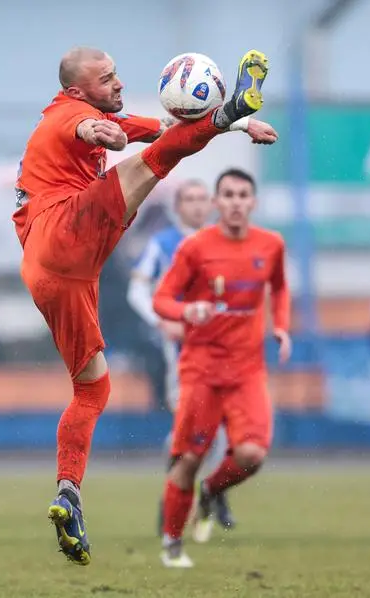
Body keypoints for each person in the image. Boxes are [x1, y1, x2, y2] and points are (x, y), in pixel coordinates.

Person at [14, 46, 277, 565]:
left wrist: (236, 127)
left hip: (56, 276)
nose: (117, 83)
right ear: (76, 90)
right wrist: (103, 133)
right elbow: (89, 130)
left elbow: (160, 127)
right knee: (158, 163)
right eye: (106, 78)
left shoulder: (99, 111)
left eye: (116, 74)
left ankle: (68, 490)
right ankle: (228, 109)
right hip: (61, 231)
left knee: (92, 388)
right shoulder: (69, 115)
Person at [153, 168, 291, 568]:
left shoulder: (271, 245)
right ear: (216, 203)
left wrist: (280, 326)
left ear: (253, 202)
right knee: (188, 460)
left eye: (242, 195)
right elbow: (162, 299)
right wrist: (186, 309)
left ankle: (211, 493)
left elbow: (279, 287)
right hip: (201, 370)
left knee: (251, 454)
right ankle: (172, 543)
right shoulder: (196, 248)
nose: (234, 202)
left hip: (247, 371)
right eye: (227, 195)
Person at [127, 180, 235, 534]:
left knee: (222, 428)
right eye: (190, 199)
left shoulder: (225, 242)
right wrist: (163, 320)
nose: (198, 206)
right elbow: (137, 290)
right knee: (188, 429)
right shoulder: (164, 243)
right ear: (178, 206)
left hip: (223, 350)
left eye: (203, 199)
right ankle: (173, 498)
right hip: (183, 353)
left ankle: (212, 490)